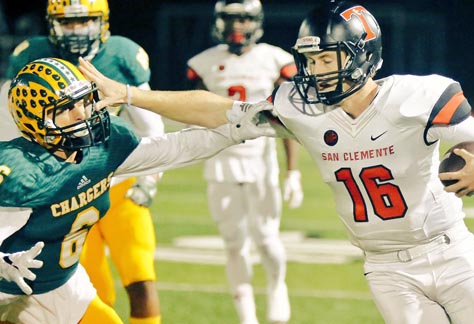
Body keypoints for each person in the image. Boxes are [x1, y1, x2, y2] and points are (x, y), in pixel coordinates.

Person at [82, 1, 474, 323]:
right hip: (385, 266)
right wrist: (128, 95)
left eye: (324, 58)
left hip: (450, 251)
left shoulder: (416, 98)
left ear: (361, 56)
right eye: (310, 60)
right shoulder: (300, 107)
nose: (314, 70)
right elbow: (214, 112)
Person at [0, 57, 273, 324]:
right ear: (35, 119)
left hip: (63, 286)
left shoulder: (100, 151)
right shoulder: (20, 171)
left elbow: (175, 148)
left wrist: (236, 131)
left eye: (83, 101)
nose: (81, 114)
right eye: (65, 108)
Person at [3, 1, 166, 323]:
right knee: (91, 287)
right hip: (63, 190)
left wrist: (151, 178)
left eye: (84, 21)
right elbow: (9, 125)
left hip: (117, 182)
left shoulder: (120, 54)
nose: (76, 31)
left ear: (102, 22)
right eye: (67, 23)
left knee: (140, 276)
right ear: (51, 24)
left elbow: (150, 125)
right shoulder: (32, 55)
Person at [185, 1, 302, 323]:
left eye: (244, 18)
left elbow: (286, 118)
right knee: (234, 243)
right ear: (219, 22)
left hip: (260, 159)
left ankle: (277, 286)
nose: (237, 24)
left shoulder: (274, 58)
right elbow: (193, 110)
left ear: (257, 21)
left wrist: (293, 171)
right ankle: (246, 315)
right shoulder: (204, 63)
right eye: (230, 17)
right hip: (221, 160)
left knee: (266, 238)